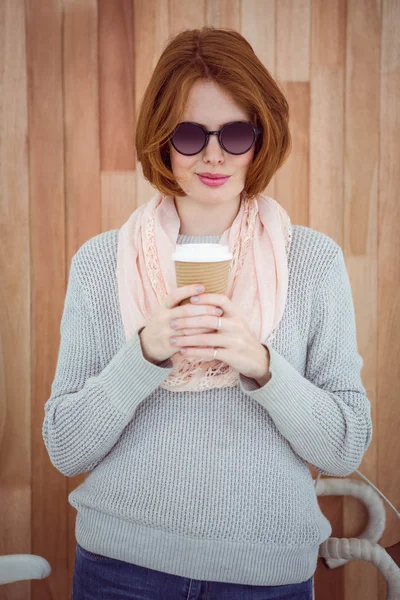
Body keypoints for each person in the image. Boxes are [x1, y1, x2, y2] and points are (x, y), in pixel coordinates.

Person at [42, 26, 372, 600]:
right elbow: (66, 449)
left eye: (237, 132)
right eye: (191, 134)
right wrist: (143, 355)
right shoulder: (101, 263)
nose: (215, 154)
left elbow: (344, 446)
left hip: (266, 576)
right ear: (162, 140)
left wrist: (264, 366)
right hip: (120, 569)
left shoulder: (313, 262)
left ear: (262, 137)